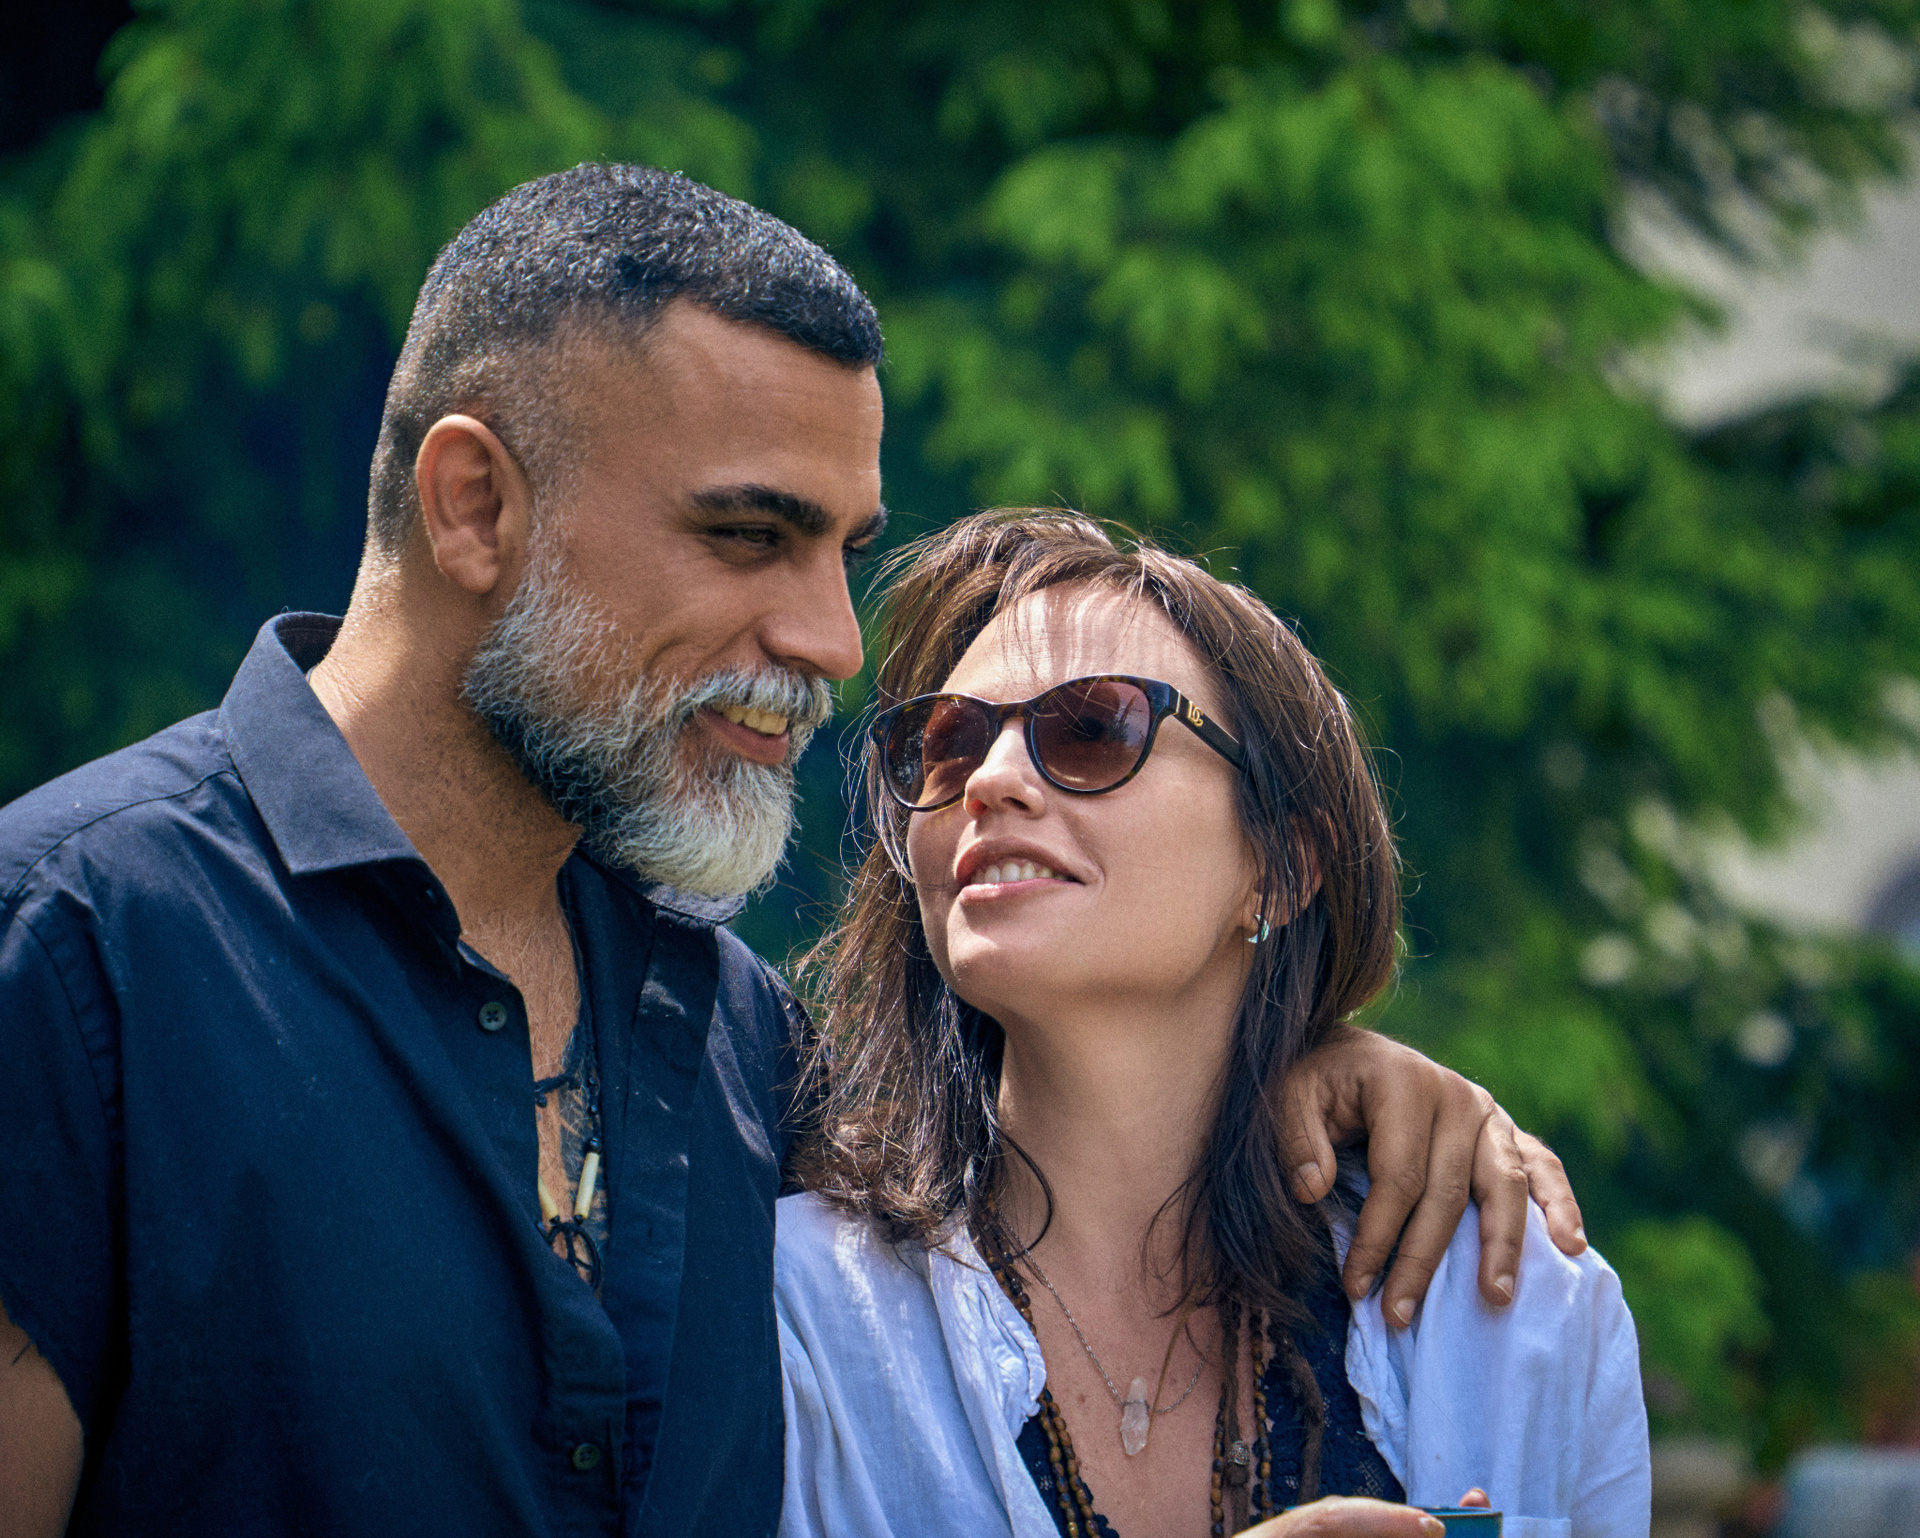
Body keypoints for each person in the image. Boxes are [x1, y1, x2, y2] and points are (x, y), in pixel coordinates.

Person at [0, 167, 1587, 1538]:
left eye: (843, 550)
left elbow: (1062, 1140)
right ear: (474, 505)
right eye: (750, 535)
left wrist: (1316, 1054)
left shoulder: (728, 1032)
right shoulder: (73, 956)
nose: (831, 639)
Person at [776, 512, 1651, 1538]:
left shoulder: (1514, 1306)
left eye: (1092, 728)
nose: (991, 780)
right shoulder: (794, 1313)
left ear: (1279, 869)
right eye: (947, 745)